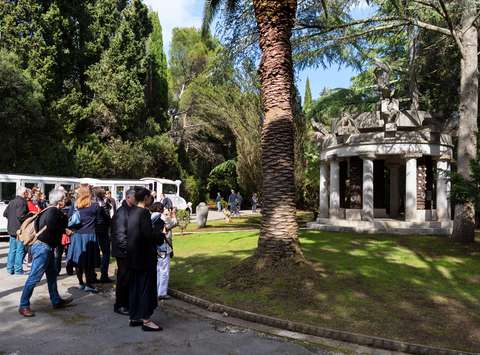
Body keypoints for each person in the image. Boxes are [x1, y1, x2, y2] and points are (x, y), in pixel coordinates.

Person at [18, 189, 73, 317]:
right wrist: (66, 230)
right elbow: (53, 226)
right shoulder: (53, 211)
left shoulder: (50, 210)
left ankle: (56, 300)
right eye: (64, 198)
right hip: (42, 248)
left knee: (52, 276)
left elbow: (54, 224)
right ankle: (23, 305)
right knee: (34, 277)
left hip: (46, 248)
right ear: (59, 201)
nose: (66, 200)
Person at [127, 187, 163, 331]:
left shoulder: (132, 211)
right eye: (150, 197)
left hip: (133, 255)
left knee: (135, 287)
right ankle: (146, 320)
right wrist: (160, 234)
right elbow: (148, 235)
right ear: (146, 198)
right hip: (144, 257)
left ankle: (135, 316)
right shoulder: (143, 213)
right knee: (145, 287)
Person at [67, 186, 101, 293]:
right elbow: (100, 221)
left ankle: (81, 283)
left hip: (77, 235)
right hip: (90, 235)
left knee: (78, 261)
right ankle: (88, 284)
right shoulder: (95, 206)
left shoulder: (75, 205)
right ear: (88, 193)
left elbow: (69, 218)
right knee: (89, 262)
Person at [111, 188, 136, 316]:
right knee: (123, 278)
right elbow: (120, 235)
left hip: (127, 250)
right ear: (128, 198)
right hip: (123, 252)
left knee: (128, 278)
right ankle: (120, 304)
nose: (137, 200)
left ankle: (126, 302)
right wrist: (128, 249)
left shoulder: (130, 210)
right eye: (135, 197)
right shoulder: (122, 212)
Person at [4, 186, 29, 275]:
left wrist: (11, 219)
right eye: (26, 192)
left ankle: (10, 268)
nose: (27, 193)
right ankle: (18, 269)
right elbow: (20, 216)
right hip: (19, 230)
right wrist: (30, 216)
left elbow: (5, 214)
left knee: (12, 250)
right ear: (23, 193)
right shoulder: (22, 202)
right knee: (20, 250)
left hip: (11, 229)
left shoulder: (12, 202)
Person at [157, 206, 176, 300]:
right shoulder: (164, 218)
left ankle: (156, 290)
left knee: (158, 269)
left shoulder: (152, 217)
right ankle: (162, 292)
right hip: (164, 246)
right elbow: (175, 223)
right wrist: (173, 214)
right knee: (164, 270)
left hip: (156, 247)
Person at [95, 188, 113, 283]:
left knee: (95, 252)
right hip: (102, 230)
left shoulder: (92, 203)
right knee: (106, 252)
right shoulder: (103, 204)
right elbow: (107, 217)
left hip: (94, 229)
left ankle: (92, 275)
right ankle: (104, 275)